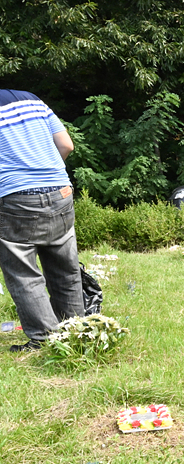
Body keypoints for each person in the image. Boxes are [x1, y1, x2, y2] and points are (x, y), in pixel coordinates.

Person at [0, 89, 85, 352]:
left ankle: (45, 340)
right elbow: (66, 145)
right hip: (61, 190)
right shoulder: (30, 99)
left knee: (24, 273)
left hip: (16, 196)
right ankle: (77, 333)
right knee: (66, 267)